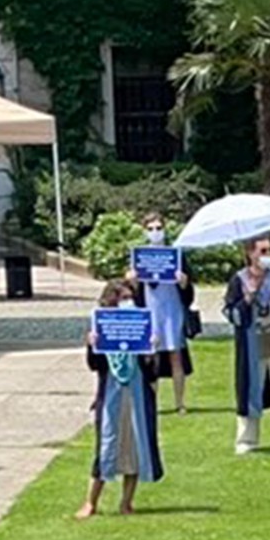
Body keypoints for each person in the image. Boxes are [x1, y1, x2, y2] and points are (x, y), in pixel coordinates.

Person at [78, 279, 164, 518]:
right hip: (111, 394)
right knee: (106, 446)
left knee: (135, 447)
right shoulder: (104, 326)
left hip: (137, 395)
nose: (128, 303)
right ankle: (91, 503)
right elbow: (95, 365)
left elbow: (152, 373)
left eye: (130, 298)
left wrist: (151, 352)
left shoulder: (141, 327)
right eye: (123, 298)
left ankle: (126, 503)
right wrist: (91, 345)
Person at [224, 235, 270, 454]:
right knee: (250, 391)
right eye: (263, 251)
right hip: (251, 349)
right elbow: (232, 314)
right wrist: (247, 299)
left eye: (269, 251)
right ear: (251, 253)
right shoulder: (239, 281)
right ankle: (247, 440)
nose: (268, 255)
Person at [130, 215, 194, 414]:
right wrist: (132, 281)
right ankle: (151, 403)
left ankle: (180, 402)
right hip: (150, 310)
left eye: (159, 227)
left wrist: (184, 282)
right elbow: (133, 291)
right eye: (151, 228)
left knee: (176, 356)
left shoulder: (176, 255)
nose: (155, 232)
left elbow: (189, 289)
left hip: (172, 311)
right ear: (145, 231)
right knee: (151, 357)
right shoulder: (139, 257)